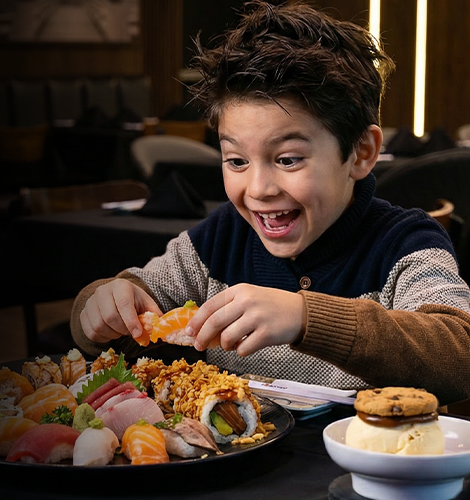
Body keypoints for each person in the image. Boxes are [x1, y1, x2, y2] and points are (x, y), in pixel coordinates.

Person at [71, 1, 470, 405]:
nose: (259, 189)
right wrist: (104, 303)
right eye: (237, 161)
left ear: (360, 153)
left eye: (288, 159)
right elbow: (125, 309)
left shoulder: (406, 243)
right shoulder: (220, 239)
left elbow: (460, 356)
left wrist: (304, 317)